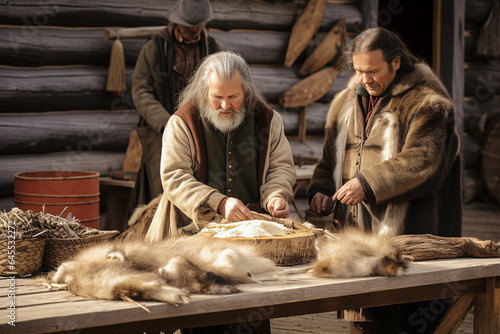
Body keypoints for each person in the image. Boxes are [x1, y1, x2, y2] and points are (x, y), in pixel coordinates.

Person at [307, 27, 462, 333]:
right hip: (357, 239)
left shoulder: (428, 104)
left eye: (373, 70)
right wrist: (321, 190)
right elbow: (329, 161)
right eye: (359, 70)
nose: (365, 79)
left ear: (396, 62)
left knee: (404, 322)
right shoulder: (344, 102)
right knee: (363, 323)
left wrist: (366, 183)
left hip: (410, 238)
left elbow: (424, 161)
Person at [145, 50, 297, 241]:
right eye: (217, 97)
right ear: (204, 92)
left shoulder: (268, 120)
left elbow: (281, 167)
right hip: (190, 234)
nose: (225, 105)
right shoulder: (182, 123)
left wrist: (275, 196)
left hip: (255, 233)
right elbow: (175, 177)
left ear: (246, 90)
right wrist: (220, 203)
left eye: (233, 96)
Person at [130, 0, 221, 215]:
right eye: (189, 25)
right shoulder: (155, 48)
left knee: (203, 187)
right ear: (177, 22)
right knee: (164, 189)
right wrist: (167, 122)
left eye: (198, 25)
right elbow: (141, 91)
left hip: (202, 131)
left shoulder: (211, 47)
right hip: (161, 132)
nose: (194, 30)